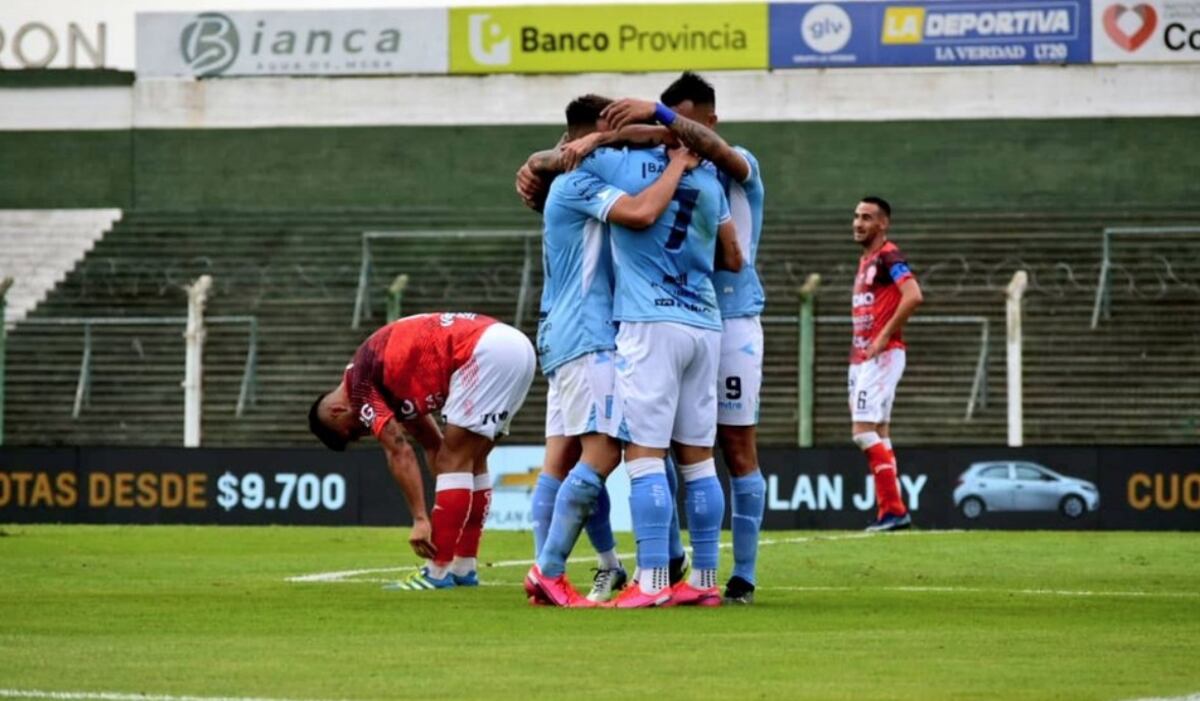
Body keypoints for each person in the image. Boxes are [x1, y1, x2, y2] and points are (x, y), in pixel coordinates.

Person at [524, 95, 702, 606]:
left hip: (570, 332)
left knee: (570, 456)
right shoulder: (580, 182)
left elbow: (652, 137)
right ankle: (549, 570)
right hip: (588, 334)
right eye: (617, 126)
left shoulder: (573, 171)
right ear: (601, 127)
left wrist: (615, 137)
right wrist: (676, 167)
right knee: (605, 452)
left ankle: (657, 562)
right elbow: (644, 213)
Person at [603, 71, 768, 604]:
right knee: (678, 446)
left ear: (711, 121)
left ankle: (742, 573)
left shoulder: (737, 163)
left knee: (735, 447)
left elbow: (706, 147)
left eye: (689, 123)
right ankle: (679, 564)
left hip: (734, 318)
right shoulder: (675, 162)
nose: (681, 135)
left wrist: (659, 116)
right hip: (693, 317)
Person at [308, 312, 536, 589]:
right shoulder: (387, 379)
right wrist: (446, 492)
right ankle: (463, 567)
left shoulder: (359, 385)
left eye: (354, 430)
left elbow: (398, 450)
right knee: (471, 461)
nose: (365, 431)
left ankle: (436, 572)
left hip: (483, 351)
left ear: (337, 412)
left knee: (456, 459)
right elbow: (431, 444)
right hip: (515, 347)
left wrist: (420, 518)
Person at [847, 197, 923, 531]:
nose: (858, 223)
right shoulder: (866, 261)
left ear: (882, 224)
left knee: (862, 432)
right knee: (879, 432)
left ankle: (893, 510)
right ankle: (891, 512)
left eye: (866, 218)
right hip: (863, 358)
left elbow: (913, 294)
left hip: (882, 353)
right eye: (856, 216)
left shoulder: (889, 255)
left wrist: (883, 336)